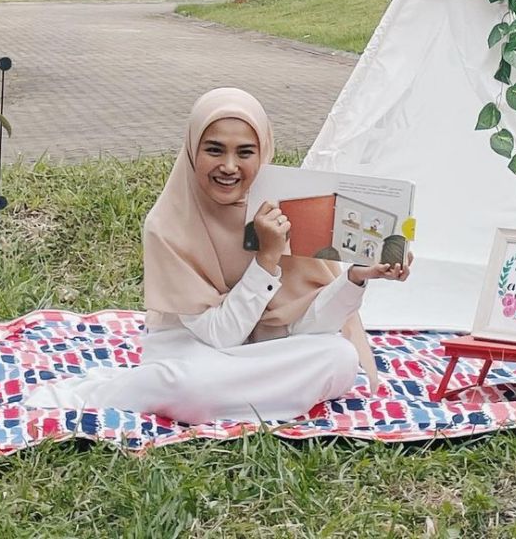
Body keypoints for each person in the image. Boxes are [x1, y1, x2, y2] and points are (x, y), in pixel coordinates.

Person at [23, 87, 411, 424]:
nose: (228, 166)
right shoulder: (167, 224)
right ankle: (138, 390)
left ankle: (215, 399)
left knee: (340, 357)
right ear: (193, 151)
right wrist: (266, 260)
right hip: (193, 353)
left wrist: (356, 278)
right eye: (214, 150)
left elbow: (308, 328)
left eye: (245, 152)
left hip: (264, 353)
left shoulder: (285, 210)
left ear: (263, 154)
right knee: (191, 384)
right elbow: (220, 337)